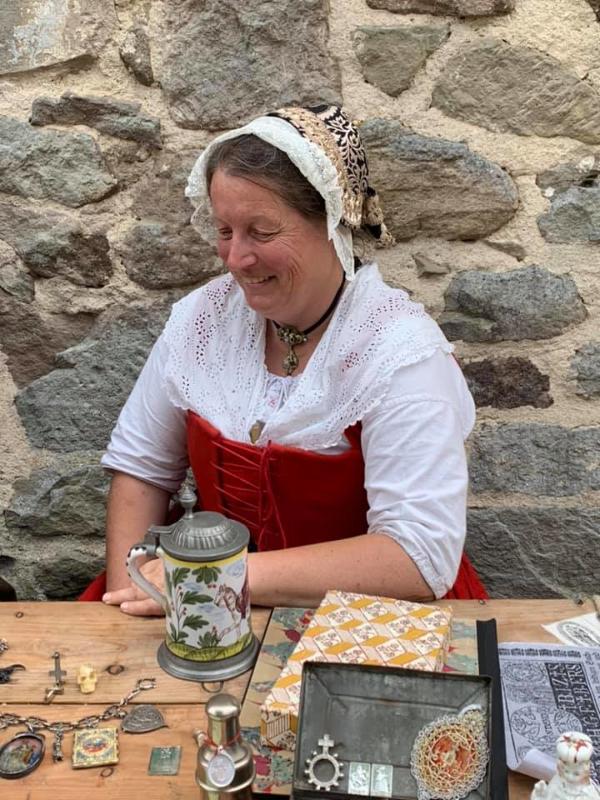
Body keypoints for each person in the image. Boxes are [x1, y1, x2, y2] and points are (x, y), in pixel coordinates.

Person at [93, 105, 487, 615]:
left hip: (365, 617)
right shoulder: (204, 320)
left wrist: (214, 578)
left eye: (261, 232)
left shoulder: (398, 352)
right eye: (224, 230)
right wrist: (131, 595)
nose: (236, 258)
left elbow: (419, 557)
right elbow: (141, 469)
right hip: (202, 606)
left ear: (332, 223)